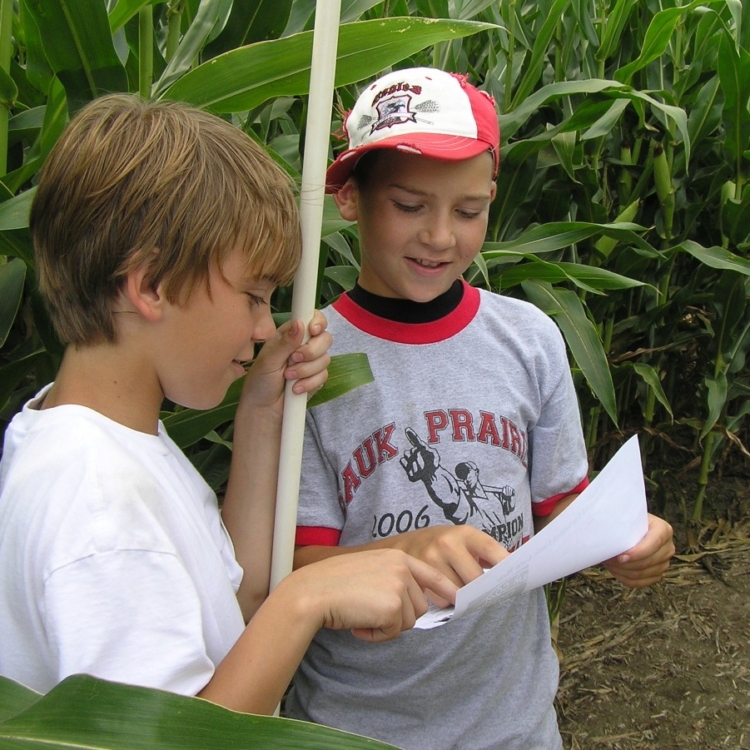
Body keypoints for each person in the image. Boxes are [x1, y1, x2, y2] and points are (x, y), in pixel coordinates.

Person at [0, 94, 458, 716]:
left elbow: (234, 593)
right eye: (252, 296)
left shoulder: (102, 439)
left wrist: (262, 413)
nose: (265, 328)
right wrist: (306, 598)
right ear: (152, 286)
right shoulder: (101, 506)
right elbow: (175, 737)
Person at [286, 67, 676, 749]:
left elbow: (561, 505)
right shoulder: (312, 360)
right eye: (410, 205)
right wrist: (409, 550)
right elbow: (296, 572)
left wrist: (626, 538)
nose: (441, 236)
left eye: (468, 211)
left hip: (512, 723)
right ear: (348, 197)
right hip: (354, 728)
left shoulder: (529, 339)